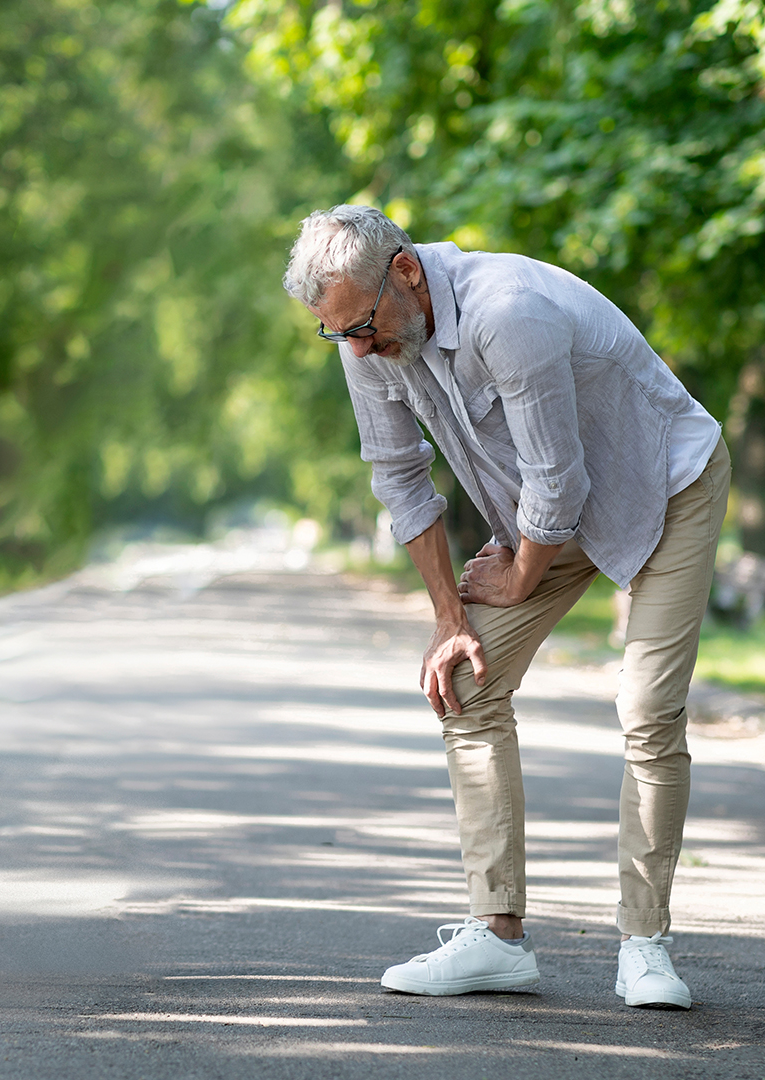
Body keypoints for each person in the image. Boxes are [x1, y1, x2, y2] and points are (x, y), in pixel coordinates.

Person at [282, 205, 729, 1009]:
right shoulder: (368, 338)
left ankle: (645, 947)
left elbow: (561, 477)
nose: (354, 346)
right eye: (335, 332)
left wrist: (521, 576)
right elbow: (398, 475)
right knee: (466, 682)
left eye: (361, 325)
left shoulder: (508, 312)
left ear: (408, 273)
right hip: (548, 521)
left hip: (662, 489)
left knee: (648, 709)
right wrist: (451, 622)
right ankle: (498, 937)